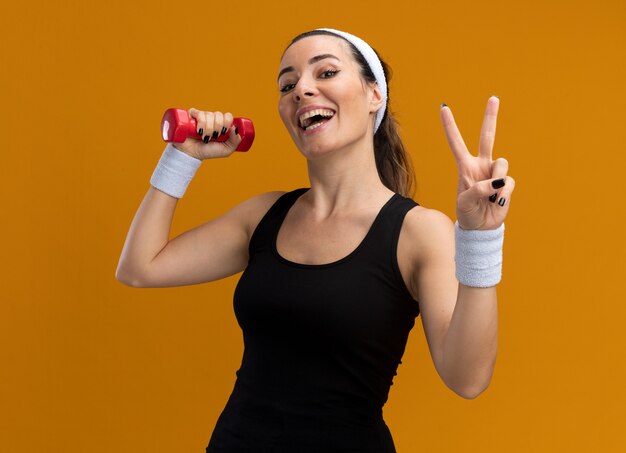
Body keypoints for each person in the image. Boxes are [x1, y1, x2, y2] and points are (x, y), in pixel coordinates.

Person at [116, 28, 515, 453]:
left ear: (374, 95)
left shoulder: (419, 232)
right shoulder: (264, 216)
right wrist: (182, 157)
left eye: (325, 72)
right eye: (288, 85)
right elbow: (140, 267)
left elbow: (467, 379)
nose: (302, 89)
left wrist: (479, 239)